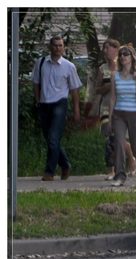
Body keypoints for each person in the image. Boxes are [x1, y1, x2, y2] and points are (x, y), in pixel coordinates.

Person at [32, 35, 82, 181]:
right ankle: (65, 164)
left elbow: (74, 90)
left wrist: (77, 111)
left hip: (60, 103)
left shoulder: (69, 66)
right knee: (49, 139)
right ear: (50, 47)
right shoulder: (41, 63)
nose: (58, 48)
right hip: (44, 104)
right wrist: (37, 100)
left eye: (60, 45)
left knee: (54, 138)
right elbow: (35, 83)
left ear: (63, 47)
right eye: (55, 45)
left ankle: (49, 172)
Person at [109, 45, 136, 187]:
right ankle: (120, 175)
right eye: (120, 54)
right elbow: (113, 97)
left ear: (132, 56)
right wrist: (110, 117)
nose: (122, 57)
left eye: (126, 54)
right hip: (119, 114)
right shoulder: (115, 75)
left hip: (135, 114)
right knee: (119, 144)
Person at [95, 38, 136, 181]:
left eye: (108, 48)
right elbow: (97, 89)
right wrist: (106, 87)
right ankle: (111, 169)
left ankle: (130, 158)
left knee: (119, 138)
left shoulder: (123, 67)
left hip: (123, 107)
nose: (105, 51)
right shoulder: (102, 69)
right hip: (106, 107)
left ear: (115, 50)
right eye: (104, 48)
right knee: (110, 136)